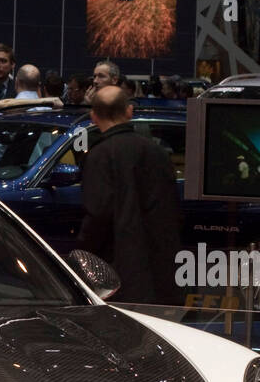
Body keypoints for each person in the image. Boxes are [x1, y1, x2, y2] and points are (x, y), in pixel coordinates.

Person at [78, 86, 182, 305]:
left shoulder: (99, 156)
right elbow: (171, 207)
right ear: (129, 111)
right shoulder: (157, 152)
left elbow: (99, 214)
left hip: (117, 270)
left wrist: (83, 257)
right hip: (160, 268)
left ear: (94, 116)